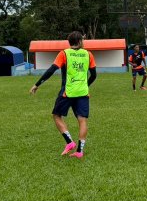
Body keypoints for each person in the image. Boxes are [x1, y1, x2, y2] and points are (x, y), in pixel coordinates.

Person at [30, 31, 97, 159]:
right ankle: (79, 151)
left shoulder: (64, 54)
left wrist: (37, 84)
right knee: (82, 120)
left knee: (56, 116)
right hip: (83, 92)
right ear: (79, 42)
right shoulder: (88, 54)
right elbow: (94, 75)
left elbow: (51, 70)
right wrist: (85, 85)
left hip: (67, 92)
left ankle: (69, 142)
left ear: (70, 42)